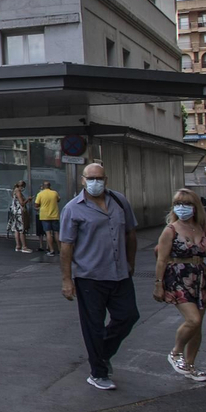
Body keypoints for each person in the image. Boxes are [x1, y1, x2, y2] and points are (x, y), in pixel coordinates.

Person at [59, 163, 139, 391]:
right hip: (90, 277)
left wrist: (131, 262)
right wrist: (67, 279)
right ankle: (98, 372)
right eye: (91, 178)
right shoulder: (73, 208)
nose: (96, 182)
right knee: (93, 326)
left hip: (120, 273)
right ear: (83, 180)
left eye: (100, 178)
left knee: (128, 316)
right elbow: (66, 246)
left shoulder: (120, 202)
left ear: (106, 179)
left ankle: (102, 353)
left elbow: (130, 234)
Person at [153, 189, 206, 381]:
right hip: (178, 277)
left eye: (187, 204)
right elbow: (161, 260)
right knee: (193, 320)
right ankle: (175, 352)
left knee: (198, 326)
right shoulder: (170, 230)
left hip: (200, 278)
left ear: (195, 207)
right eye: (178, 204)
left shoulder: (204, 229)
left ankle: (189, 366)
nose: (182, 208)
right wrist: (158, 284)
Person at [34, 181, 61, 257]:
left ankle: (51, 250)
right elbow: (58, 200)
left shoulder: (40, 194)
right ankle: (60, 250)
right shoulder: (55, 193)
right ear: (50, 186)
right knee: (56, 233)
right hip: (55, 215)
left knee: (48, 233)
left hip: (44, 216)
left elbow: (36, 204)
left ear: (43, 186)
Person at [7, 182, 32, 253]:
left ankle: (18, 246)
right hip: (19, 212)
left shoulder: (14, 191)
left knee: (16, 229)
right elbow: (22, 203)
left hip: (14, 212)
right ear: (22, 186)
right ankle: (24, 246)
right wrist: (28, 199)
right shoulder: (18, 191)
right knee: (21, 229)